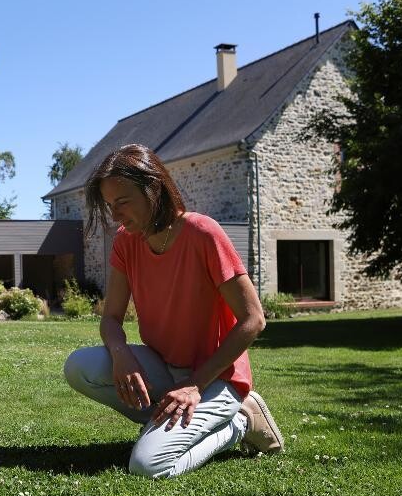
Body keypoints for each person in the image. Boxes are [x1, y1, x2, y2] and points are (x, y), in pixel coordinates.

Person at [63, 144, 284, 478]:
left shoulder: (203, 233)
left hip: (217, 378)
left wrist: (195, 384)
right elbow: (110, 319)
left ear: (153, 189)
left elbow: (254, 319)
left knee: (148, 465)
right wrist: (121, 354)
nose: (116, 215)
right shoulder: (126, 241)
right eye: (110, 205)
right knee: (78, 367)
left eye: (122, 202)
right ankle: (168, 423)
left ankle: (239, 421)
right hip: (164, 368)